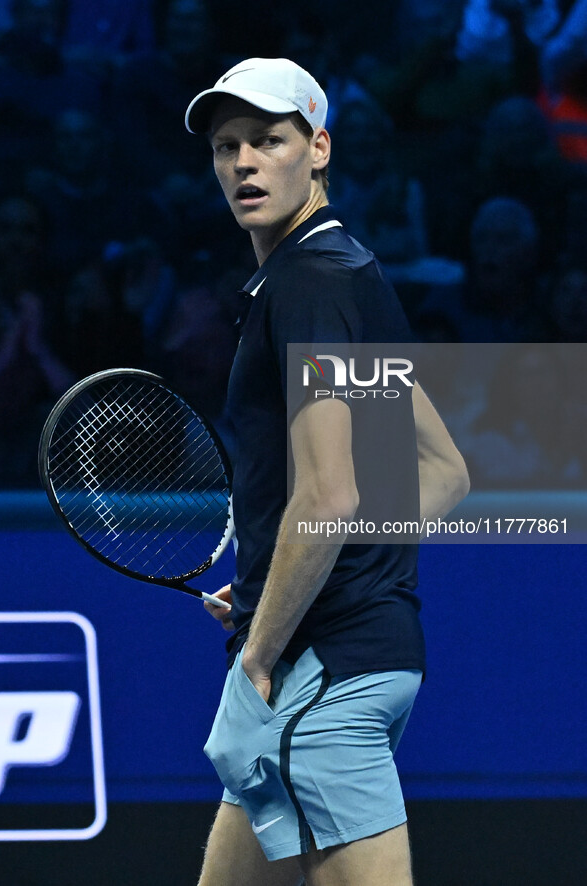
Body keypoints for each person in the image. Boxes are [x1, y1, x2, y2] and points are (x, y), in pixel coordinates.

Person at [184, 57, 470, 886]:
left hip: (319, 677)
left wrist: (261, 649)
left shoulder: (306, 288)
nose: (242, 163)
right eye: (226, 146)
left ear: (318, 150)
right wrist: (286, 573)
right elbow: (441, 470)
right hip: (359, 654)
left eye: (268, 140)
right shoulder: (344, 270)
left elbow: (331, 494)